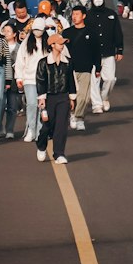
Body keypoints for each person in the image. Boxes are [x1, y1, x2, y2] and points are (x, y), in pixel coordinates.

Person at [35, 28, 75, 164]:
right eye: (59, 43)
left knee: (61, 126)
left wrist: (72, 97)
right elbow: (40, 80)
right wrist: (41, 98)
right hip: (49, 97)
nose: (62, 45)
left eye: (63, 43)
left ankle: (59, 153)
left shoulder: (68, 62)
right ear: (52, 45)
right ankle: (41, 146)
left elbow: (71, 80)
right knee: (47, 125)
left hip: (63, 96)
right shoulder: (43, 62)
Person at [86, 0, 123, 113]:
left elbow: (117, 32)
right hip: (92, 53)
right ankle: (96, 105)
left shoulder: (111, 14)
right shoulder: (88, 15)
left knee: (110, 79)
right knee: (94, 80)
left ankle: (104, 97)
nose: (98, 0)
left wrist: (120, 49)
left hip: (109, 51)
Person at [66, 5, 99, 133]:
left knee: (84, 96)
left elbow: (96, 51)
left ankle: (79, 118)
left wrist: (98, 67)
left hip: (86, 68)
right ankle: (72, 113)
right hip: (70, 69)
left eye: (77, 14)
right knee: (72, 95)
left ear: (84, 16)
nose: (74, 17)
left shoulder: (91, 33)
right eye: (73, 15)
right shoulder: (67, 32)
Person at [14, 20, 46, 144]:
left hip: (43, 79)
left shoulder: (47, 42)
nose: (38, 32)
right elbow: (20, 60)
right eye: (36, 29)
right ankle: (31, 129)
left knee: (41, 105)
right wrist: (19, 78)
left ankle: (39, 130)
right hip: (29, 78)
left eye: (40, 30)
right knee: (32, 104)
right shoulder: (26, 42)